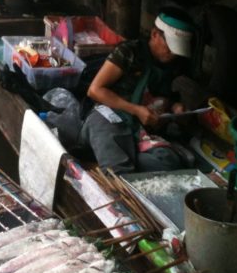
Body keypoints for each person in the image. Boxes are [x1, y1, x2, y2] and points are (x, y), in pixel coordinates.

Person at [62, 10, 197, 174]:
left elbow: (165, 97)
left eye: (177, 49)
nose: (173, 53)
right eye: (169, 45)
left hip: (139, 131)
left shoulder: (174, 64)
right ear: (155, 34)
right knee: (110, 142)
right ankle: (117, 166)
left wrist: (175, 108)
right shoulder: (129, 52)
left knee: (168, 162)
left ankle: (115, 158)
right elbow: (95, 90)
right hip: (109, 117)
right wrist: (135, 109)